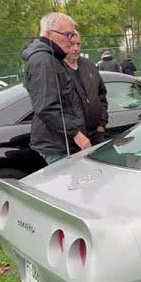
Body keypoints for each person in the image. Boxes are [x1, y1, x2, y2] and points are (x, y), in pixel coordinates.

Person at [22, 12, 91, 166]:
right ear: (48, 33)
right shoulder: (43, 61)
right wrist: (76, 134)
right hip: (58, 145)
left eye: (73, 35)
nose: (72, 40)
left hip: (61, 142)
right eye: (68, 35)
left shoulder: (52, 58)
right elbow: (47, 107)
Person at [64, 38, 109, 145]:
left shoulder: (89, 65)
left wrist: (101, 124)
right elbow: (52, 108)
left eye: (78, 44)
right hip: (71, 140)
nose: (76, 48)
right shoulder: (56, 68)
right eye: (71, 44)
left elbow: (101, 95)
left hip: (96, 134)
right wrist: (75, 134)